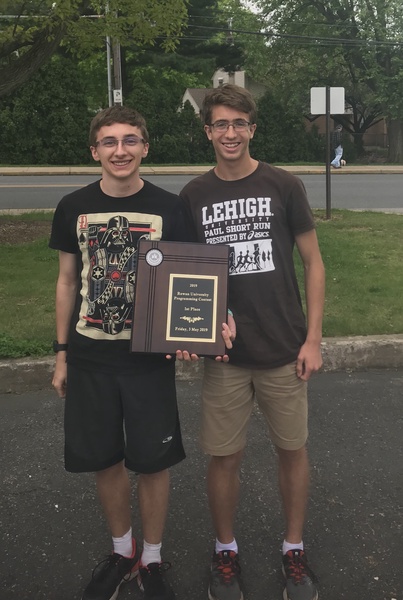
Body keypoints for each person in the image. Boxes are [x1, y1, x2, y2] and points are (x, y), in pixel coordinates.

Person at [179, 84, 325, 600]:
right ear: (208, 132)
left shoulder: (283, 185)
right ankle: (225, 550)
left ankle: (293, 548)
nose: (231, 133)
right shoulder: (194, 195)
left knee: (293, 450)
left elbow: (313, 262)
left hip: (285, 347)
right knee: (225, 457)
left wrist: (313, 338)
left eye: (239, 124)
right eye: (220, 124)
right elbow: (188, 275)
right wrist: (194, 330)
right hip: (225, 357)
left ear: (252, 129)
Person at [50, 105, 195, 600]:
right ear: (95, 150)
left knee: (153, 462)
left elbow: (188, 282)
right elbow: (68, 281)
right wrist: (62, 353)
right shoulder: (73, 206)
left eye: (130, 140)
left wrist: (190, 333)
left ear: (145, 148)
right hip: (91, 354)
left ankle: (151, 558)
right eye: (109, 142)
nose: (120, 150)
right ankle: (122, 550)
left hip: (148, 358)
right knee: (105, 458)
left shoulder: (171, 209)